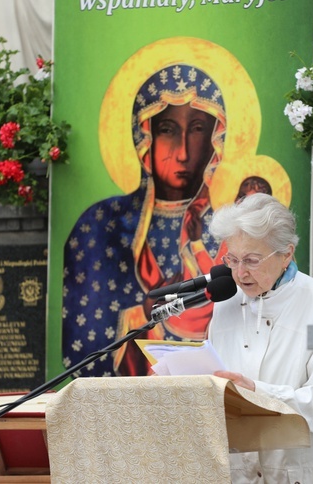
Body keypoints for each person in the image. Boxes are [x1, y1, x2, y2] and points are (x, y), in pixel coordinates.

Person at [62, 64, 227, 377]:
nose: (182, 153)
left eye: (197, 129)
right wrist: (144, 315)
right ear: (144, 139)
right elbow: (79, 346)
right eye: (167, 129)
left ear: (216, 140)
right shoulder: (100, 226)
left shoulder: (230, 231)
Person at [207, 193, 313, 483]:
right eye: (233, 259)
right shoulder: (225, 306)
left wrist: (256, 391)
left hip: (309, 473)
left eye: (252, 260)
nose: (240, 273)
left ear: (286, 254)